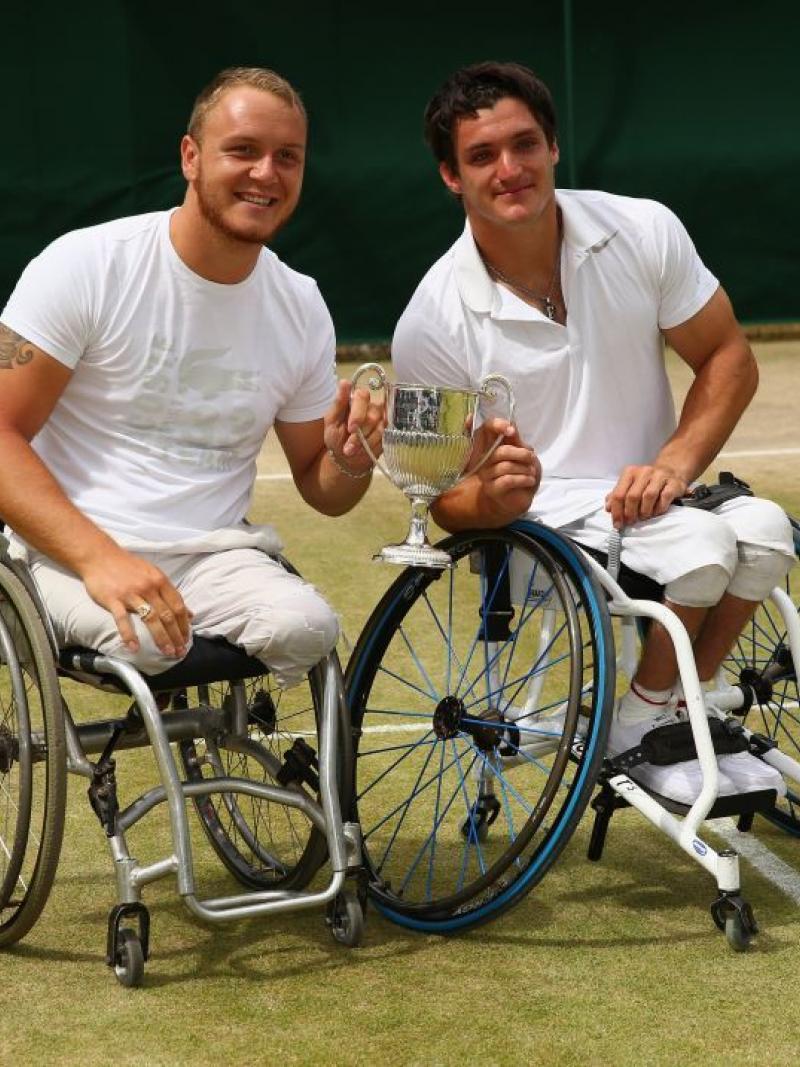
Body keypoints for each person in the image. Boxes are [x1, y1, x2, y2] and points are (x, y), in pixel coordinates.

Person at [392, 60, 796, 804]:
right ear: (452, 176)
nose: (509, 169)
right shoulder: (428, 320)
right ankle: (641, 731)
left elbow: (729, 357)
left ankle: (667, 709)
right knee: (704, 549)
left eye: (524, 145)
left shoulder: (642, 227)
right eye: (482, 156)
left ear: (552, 146)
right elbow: (437, 502)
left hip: (658, 498)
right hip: (545, 529)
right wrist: (492, 497)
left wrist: (674, 462)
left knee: (769, 531)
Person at [0, 66, 388, 690]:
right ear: (190, 156)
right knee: (152, 640)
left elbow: (324, 489)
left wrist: (350, 458)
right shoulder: (85, 265)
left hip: (215, 559)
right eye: (243, 150)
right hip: (67, 553)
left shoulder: (300, 302)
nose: (267, 174)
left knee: (309, 629)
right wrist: (100, 559)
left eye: (287, 157)